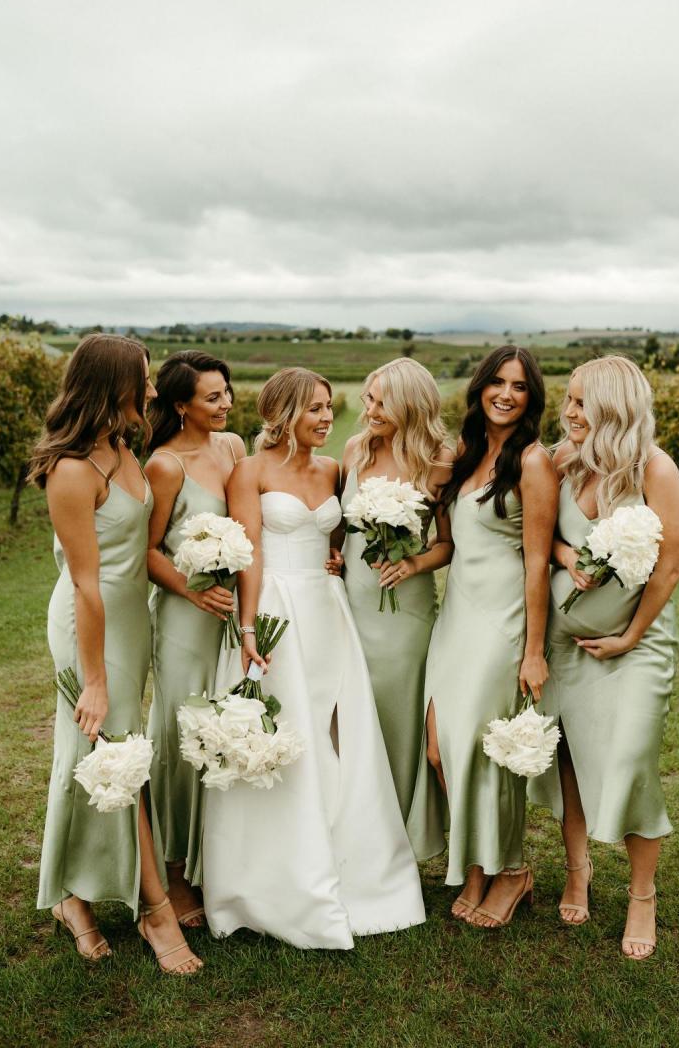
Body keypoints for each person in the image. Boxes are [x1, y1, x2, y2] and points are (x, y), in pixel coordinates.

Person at [202, 367, 426, 948]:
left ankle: (352, 862)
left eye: (330, 407)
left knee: (336, 730)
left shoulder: (335, 468)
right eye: (315, 409)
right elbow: (248, 552)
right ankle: (276, 880)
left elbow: (339, 538)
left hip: (328, 611)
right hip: (274, 609)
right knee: (284, 734)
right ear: (282, 414)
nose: (328, 418)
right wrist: (248, 627)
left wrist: (334, 559)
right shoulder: (248, 472)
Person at [30, 333, 202, 975]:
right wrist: (95, 680)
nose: (153, 390)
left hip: (130, 621)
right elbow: (84, 583)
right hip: (88, 628)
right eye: (145, 379)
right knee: (117, 756)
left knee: (89, 757)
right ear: (113, 385)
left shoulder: (121, 446)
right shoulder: (72, 469)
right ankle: (156, 911)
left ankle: (71, 896)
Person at [529, 356, 679, 960]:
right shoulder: (561, 462)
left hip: (636, 645)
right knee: (570, 758)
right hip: (568, 647)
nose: (568, 412)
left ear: (614, 407)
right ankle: (577, 870)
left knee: (631, 757)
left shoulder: (656, 468)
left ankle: (642, 895)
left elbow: (669, 566)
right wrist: (568, 555)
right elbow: (541, 541)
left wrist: (629, 637)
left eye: (581, 402)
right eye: (567, 401)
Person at [406, 346, 558, 928]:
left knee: (488, 752)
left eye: (519, 387)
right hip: (456, 618)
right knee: (442, 748)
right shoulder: (467, 454)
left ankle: (511, 871)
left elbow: (537, 562)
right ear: (480, 389)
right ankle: (477, 864)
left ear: (530, 397)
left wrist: (534, 650)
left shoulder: (534, 463)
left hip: (503, 622)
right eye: (497, 382)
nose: (506, 394)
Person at [145, 351, 246, 927]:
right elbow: (149, 550)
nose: (226, 403)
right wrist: (192, 590)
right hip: (187, 617)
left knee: (226, 728)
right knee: (182, 733)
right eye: (213, 397)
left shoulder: (233, 448)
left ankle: (220, 860)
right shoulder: (165, 465)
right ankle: (175, 871)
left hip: (232, 615)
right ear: (180, 405)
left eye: (227, 392)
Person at [334, 357, 454, 822]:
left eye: (382, 401)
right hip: (352, 606)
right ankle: (358, 832)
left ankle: (402, 833)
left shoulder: (441, 462)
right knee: (351, 723)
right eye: (368, 398)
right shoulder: (355, 450)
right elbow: (340, 530)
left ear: (411, 404)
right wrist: (333, 556)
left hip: (405, 614)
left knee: (398, 722)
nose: (370, 410)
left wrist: (413, 564)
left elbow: (447, 544)